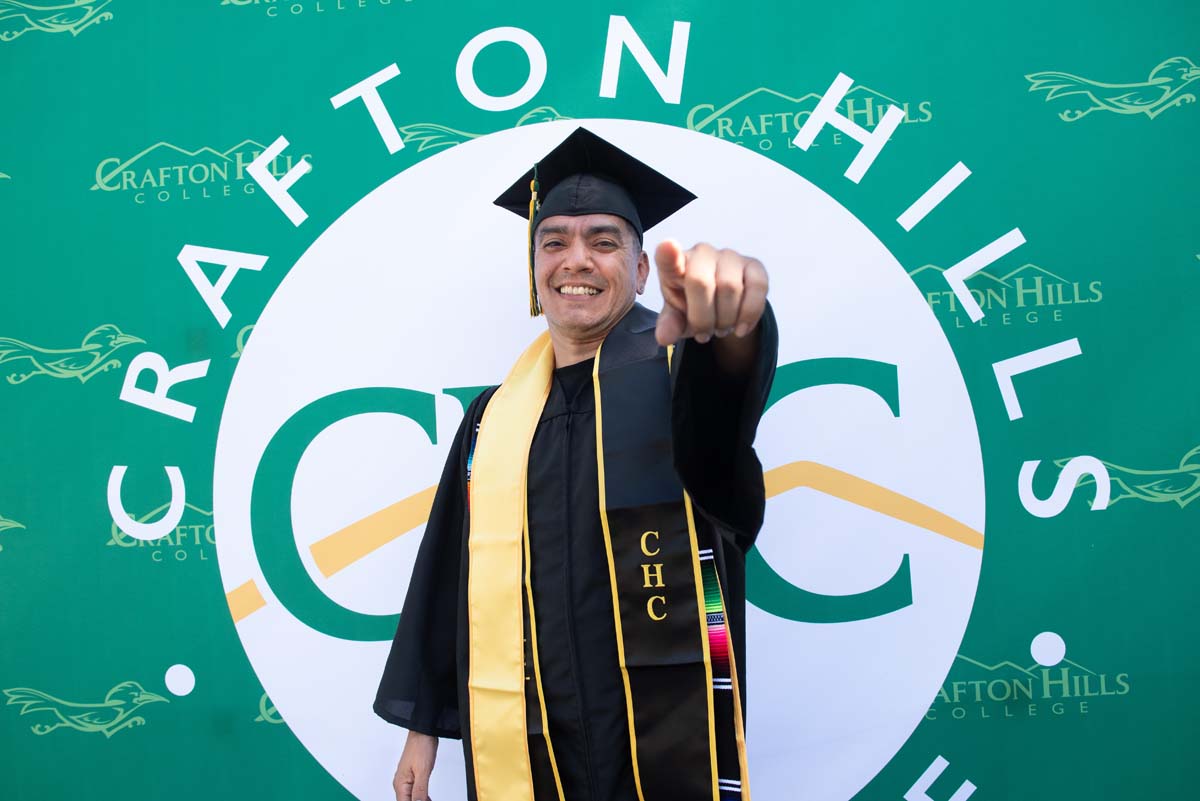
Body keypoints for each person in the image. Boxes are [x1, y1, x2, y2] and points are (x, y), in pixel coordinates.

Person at [374, 127, 778, 801]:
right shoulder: (491, 420)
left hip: (654, 746)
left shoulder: (678, 383)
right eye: (554, 241)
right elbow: (450, 579)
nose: (576, 260)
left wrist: (736, 325)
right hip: (531, 745)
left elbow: (725, 403)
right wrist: (423, 728)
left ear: (642, 271)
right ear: (535, 267)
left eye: (603, 241)